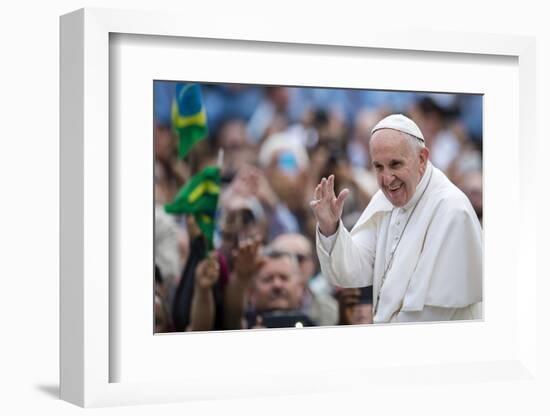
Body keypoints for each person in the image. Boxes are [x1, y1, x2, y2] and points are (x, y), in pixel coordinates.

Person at [311, 114, 482, 323]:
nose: (387, 179)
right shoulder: (385, 201)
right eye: (378, 167)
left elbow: (433, 315)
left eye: (395, 164)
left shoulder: (452, 210)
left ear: (422, 159)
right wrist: (331, 229)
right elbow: (352, 270)